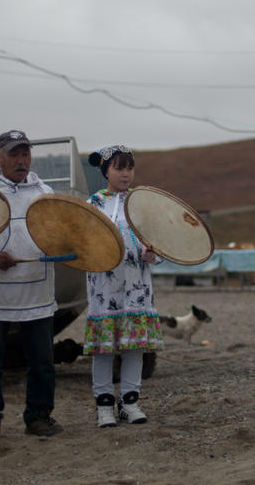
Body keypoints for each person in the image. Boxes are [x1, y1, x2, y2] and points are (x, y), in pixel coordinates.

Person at [0, 130, 62, 440]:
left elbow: (63, 233)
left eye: (25, 154)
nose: (21, 160)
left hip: (37, 292)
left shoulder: (45, 193)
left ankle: (39, 416)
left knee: (43, 362)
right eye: (14, 154)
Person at [85, 145, 163, 427]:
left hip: (137, 287)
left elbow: (155, 241)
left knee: (135, 347)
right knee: (104, 348)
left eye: (129, 167)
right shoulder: (94, 202)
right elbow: (84, 241)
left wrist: (152, 254)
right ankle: (104, 405)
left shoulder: (141, 203)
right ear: (106, 171)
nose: (125, 174)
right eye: (119, 168)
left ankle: (130, 402)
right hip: (104, 289)